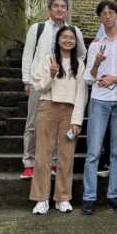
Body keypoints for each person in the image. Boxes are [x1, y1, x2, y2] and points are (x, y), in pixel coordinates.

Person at [20, 0, 86, 179]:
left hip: (63, 84)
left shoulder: (74, 31)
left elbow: (81, 54)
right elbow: (28, 55)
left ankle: (55, 162)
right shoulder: (38, 28)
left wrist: (71, 69)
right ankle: (30, 162)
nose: (59, 9)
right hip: (40, 82)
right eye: (56, 6)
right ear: (49, 9)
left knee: (59, 125)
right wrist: (27, 80)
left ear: (67, 10)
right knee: (32, 123)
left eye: (63, 7)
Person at [81, 0, 117, 215]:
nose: (107, 16)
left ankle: (113, 195)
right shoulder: (95, 45)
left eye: (111, 12)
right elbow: (89, 78)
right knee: (94, 150)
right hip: (99, 100)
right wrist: (96, 63)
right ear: (100, 18)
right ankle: (89, 197)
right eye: (103, 13)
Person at [30, 27, 87, 215]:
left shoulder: (79, 64)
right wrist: (51, 74)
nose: (68, 40)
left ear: (76, 42)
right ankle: (41, 198)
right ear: (58, 39)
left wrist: (77, 120)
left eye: (72, 38)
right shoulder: (49, 59)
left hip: (69, 110)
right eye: (64, 37)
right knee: (43, 153)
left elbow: (81, 94)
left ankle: (63, 197)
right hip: (48, 106)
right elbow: (38, 86)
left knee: (66, 155)